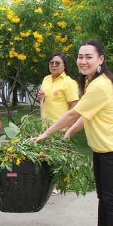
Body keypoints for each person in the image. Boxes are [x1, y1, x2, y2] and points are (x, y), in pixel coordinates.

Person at [33, 40, 113, 226]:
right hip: (102, 149)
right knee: (103, 197)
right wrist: (70, 131)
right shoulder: (94, 82)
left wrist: (46, 133)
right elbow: (87, 114)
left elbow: (74, 112)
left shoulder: (100, 85)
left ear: (101, 59)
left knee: (112, 201)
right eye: (80, 56)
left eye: (89, 56)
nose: (83, 61)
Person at [37, 52, 79, 195]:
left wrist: (69, 128)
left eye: (57, 63)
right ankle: (50, 184)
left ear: (64, 65)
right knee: (48, 156)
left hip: (61, 127)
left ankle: (60, 184)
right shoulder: (46, 79)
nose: (53, 65)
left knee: (60, 157)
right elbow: (44, 99)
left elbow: (74, 106)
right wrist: (40, 98)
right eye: (51, 63)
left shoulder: (69, 82)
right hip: (46, 126)